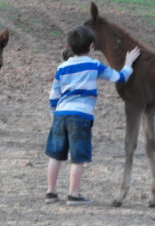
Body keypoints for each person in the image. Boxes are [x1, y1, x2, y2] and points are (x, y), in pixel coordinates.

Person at [45, 25, 140, 206]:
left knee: (55, 155)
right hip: (81, 116)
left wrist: (54, 114)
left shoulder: (62, 67)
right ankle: (73, 194)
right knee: (78, 157)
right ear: (91, 47)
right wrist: (128, 64)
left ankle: (51, 192)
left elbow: (54, 95)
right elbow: (119, 78)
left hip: (60, 115)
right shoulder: (94, 65)